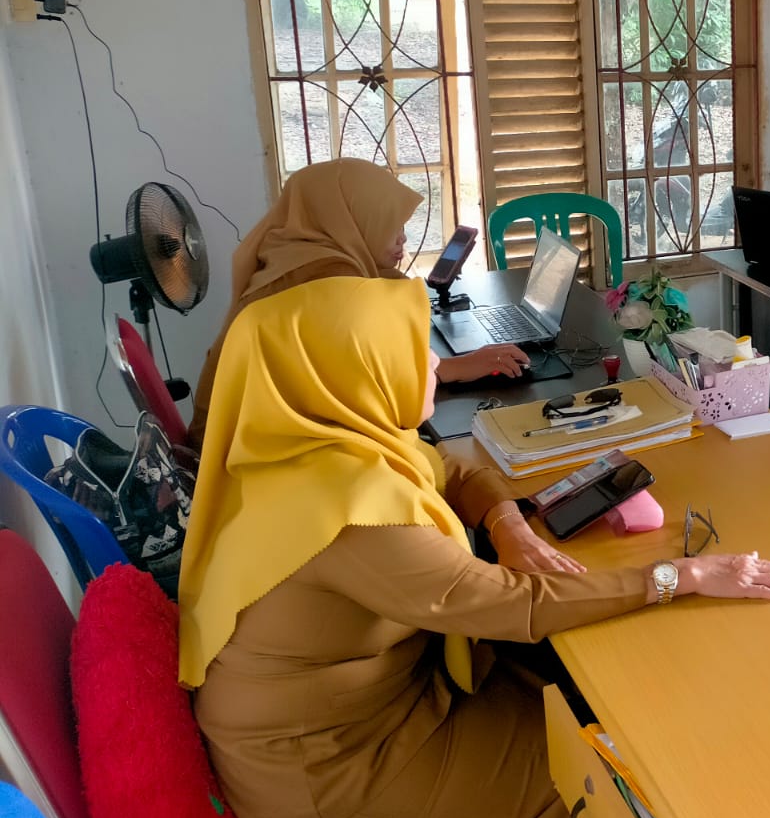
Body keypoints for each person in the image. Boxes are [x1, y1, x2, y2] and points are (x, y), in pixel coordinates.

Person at [177, 274, 770, 818]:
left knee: (574, 704)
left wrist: (505, 521)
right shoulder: (346, 512)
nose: (434, 364)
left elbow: (447, 469)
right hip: (328, 764)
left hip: (366, 703)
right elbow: (513, 603)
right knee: (593, 782)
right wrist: (683, 575)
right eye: (412, 350)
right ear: (352, 371)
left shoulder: (312, 445)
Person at [188, 158, 575, 575]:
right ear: (350, 219)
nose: (402, 238)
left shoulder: (294, 253)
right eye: (390, 225)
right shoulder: (323, 280)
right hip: (267, 486)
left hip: (240, 457)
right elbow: (362, 388)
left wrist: (448, 367)